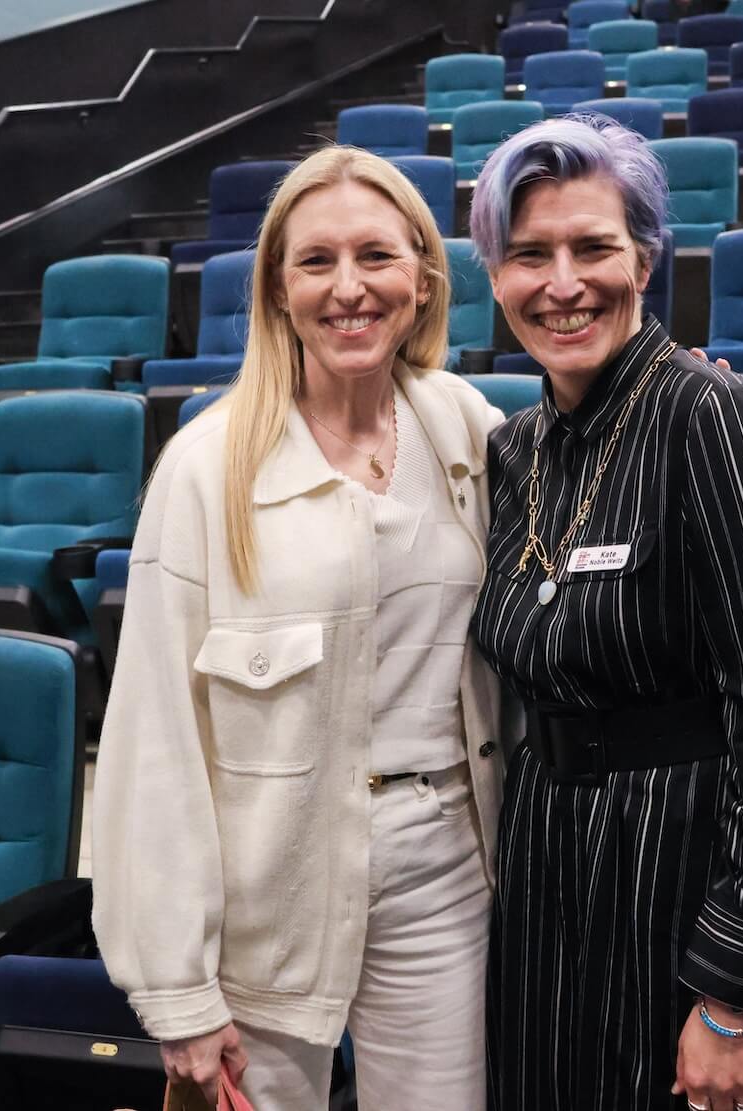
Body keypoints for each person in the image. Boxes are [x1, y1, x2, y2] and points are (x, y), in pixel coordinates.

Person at [468, 115, 743, 1111]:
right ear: (493, 274)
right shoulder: (517, 449)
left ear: (647, 260)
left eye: (594, 248)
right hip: (558, 875)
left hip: (701, 873)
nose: (562, 282)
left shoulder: (711, 419)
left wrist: (737, 992)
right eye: (528, 254)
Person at [91, 146, 504, 1110]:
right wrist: (179, 991)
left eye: (376, 257)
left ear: (423, 278)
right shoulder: (205, 465)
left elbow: (596, 495)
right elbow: (156, 739)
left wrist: (682, 392)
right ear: (277, 289)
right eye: (316, 261)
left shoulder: (469, 426)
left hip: (441, 866)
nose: (348, 288)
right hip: (263, 890)